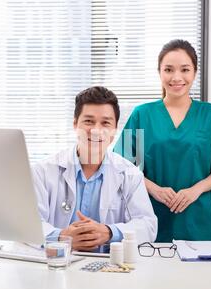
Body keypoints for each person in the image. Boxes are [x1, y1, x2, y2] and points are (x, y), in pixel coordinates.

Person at [114, 39, 211, 242]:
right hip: (149, 215)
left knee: (200, 272)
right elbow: (124, 168)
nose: (177, 77)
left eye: (184, 69)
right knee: (152, 271)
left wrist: (196, 190)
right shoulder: (142, 115)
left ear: (194, 72)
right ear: (159, 72)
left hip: (198, 219)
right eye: (168, 70)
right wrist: (155, 190)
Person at [32, 86, 157, 251]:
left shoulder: (130, 174)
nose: (96, 130)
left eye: (105, 123)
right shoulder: (43, 171)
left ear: (115, 129)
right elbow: (29, 225)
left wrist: (109, 232)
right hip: (58, 265)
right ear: (75, 124)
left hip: (110, 268)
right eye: (88, 121)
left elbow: (148, 226)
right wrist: (62, 237)